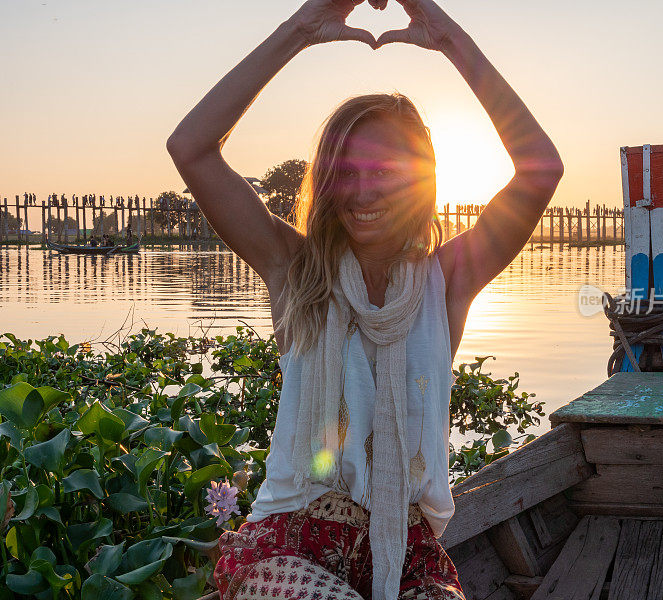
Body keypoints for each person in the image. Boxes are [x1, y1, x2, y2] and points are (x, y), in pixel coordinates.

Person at [167, 1, 562, 598]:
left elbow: (540, 170)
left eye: (382, 170)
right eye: (345, 172)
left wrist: (447, 37)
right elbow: (191, 146)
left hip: (402, 545)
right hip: (288, 538)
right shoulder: (295, 268)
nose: (361, 191)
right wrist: (299, 31)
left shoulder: (445, 281)